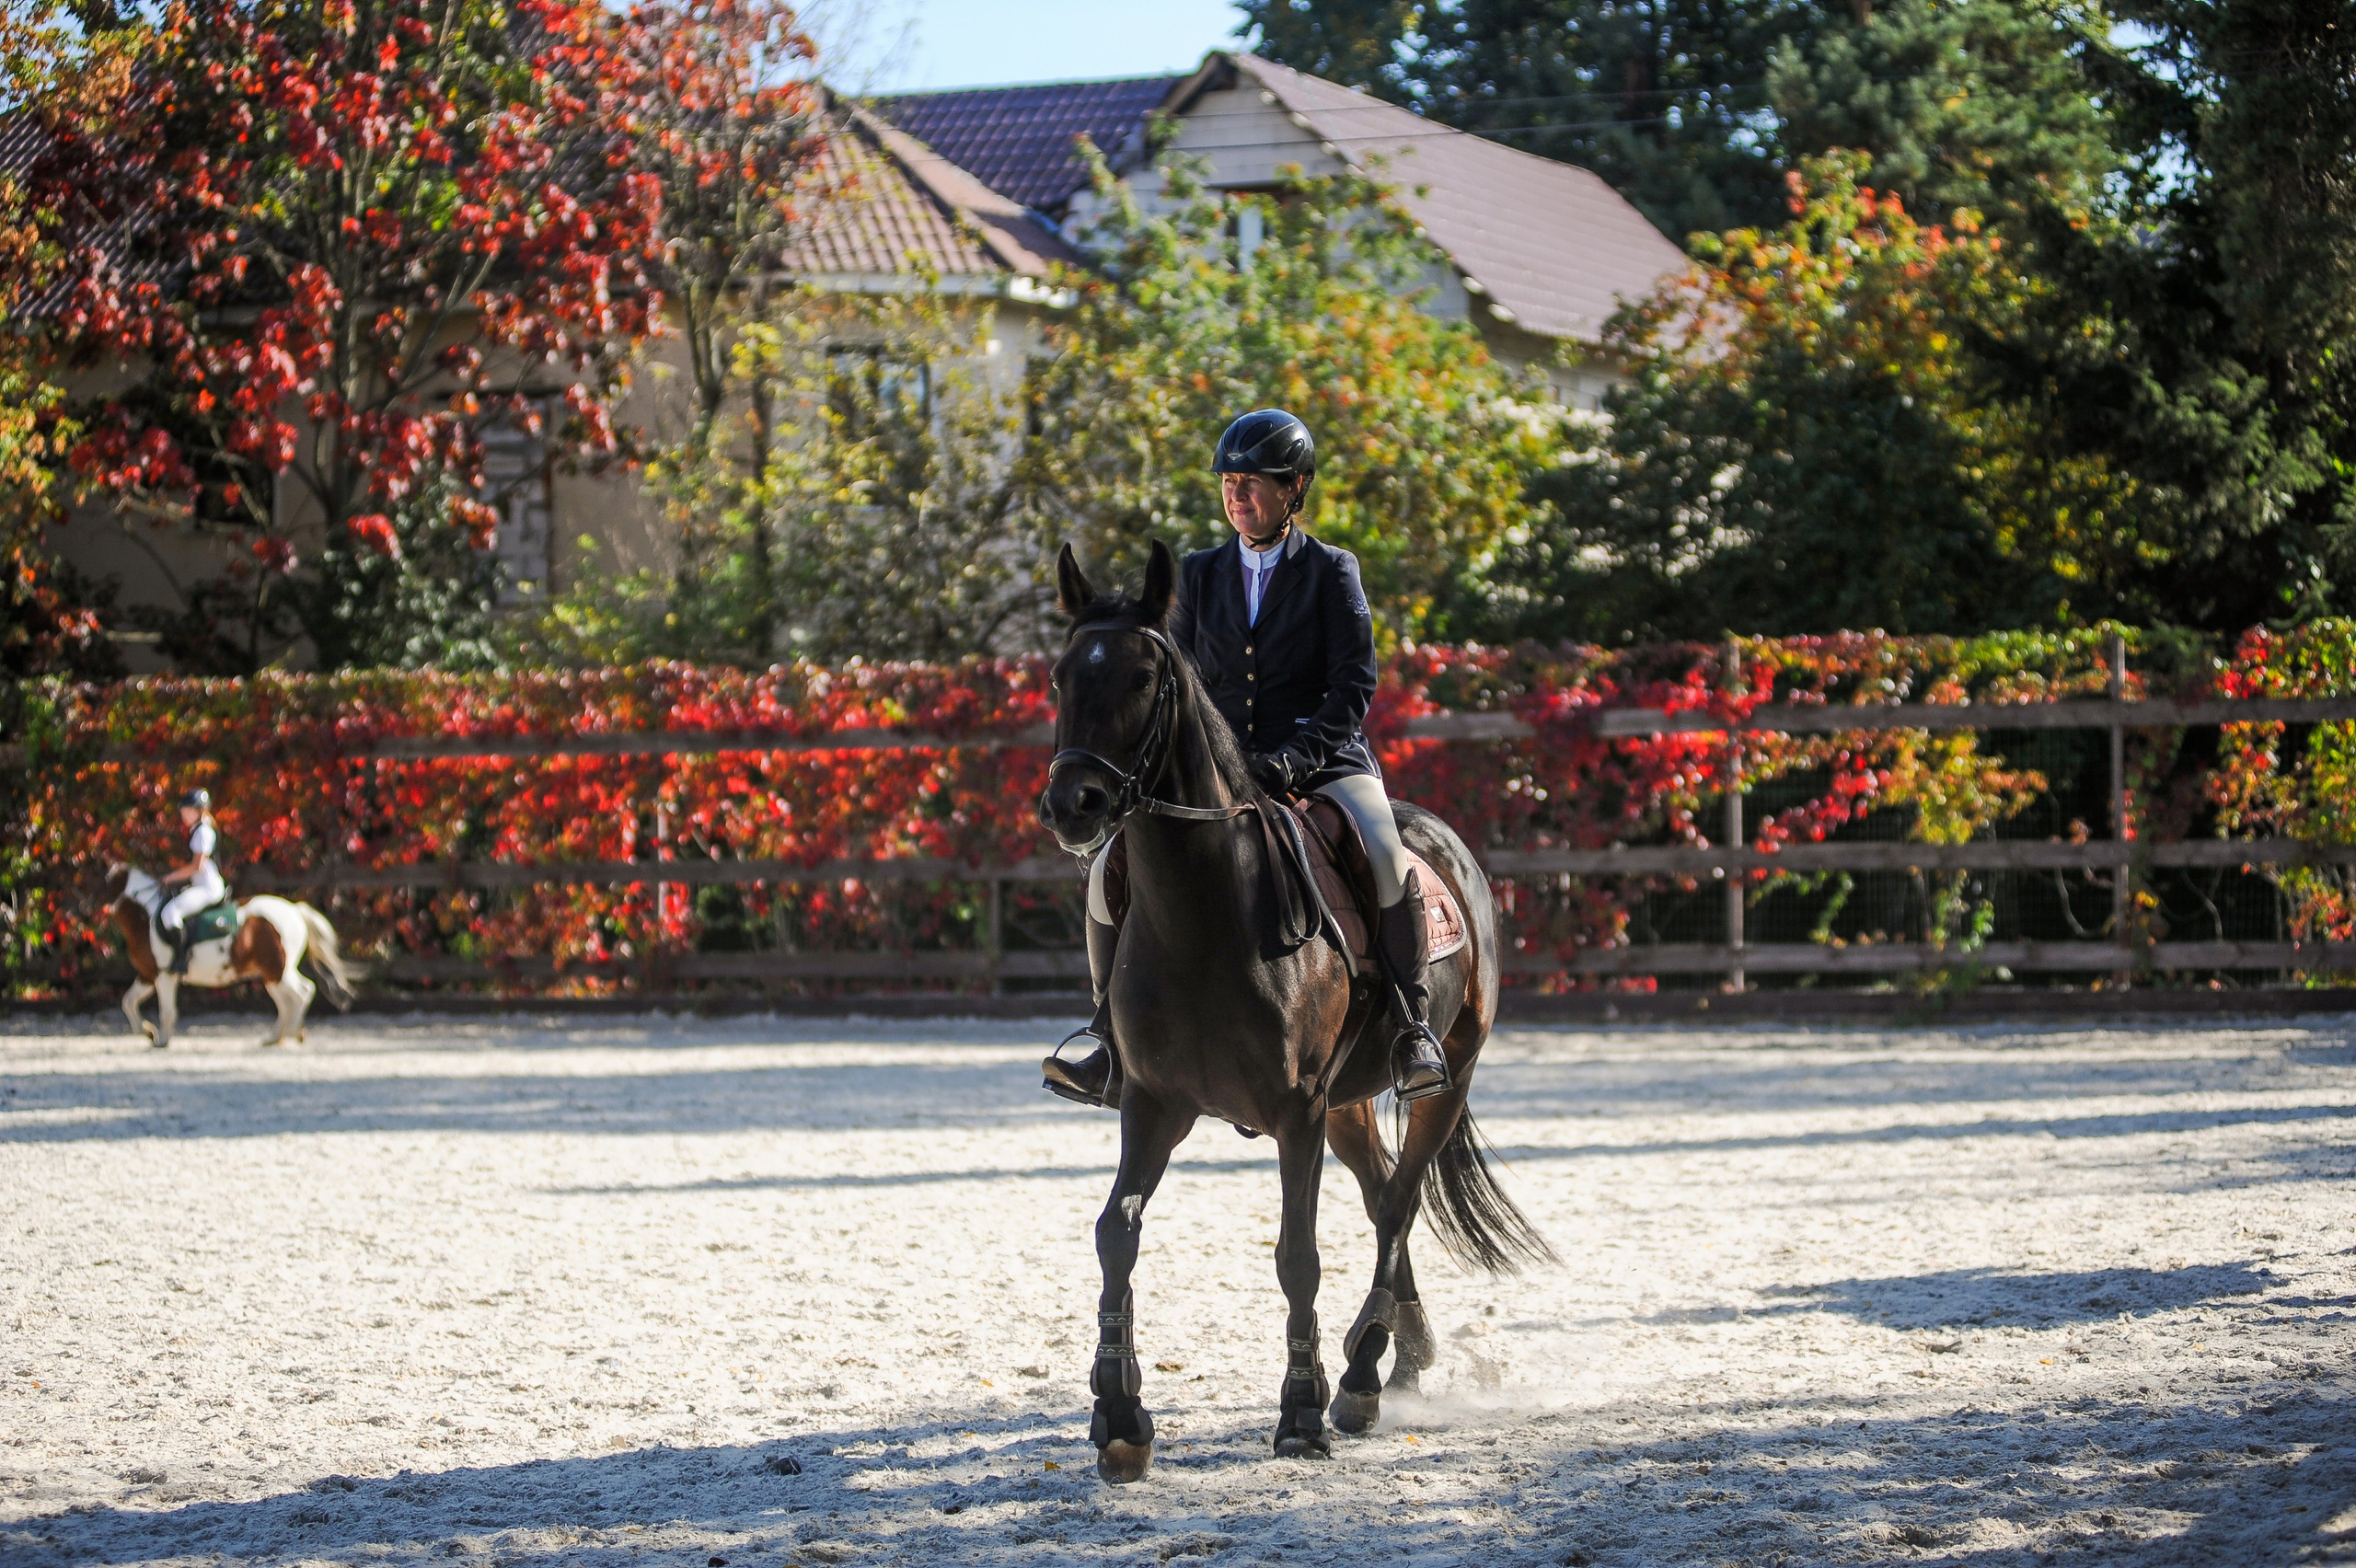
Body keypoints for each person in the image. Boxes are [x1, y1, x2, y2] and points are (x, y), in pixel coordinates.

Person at [1043, 408, 1452, 1110]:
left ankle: (1412, 1028)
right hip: (1223, 772)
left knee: (1384, 851)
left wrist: (1294, 763)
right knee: (1110, 868)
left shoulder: (1331, 571)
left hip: (1325, 761)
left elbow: (1352, 684)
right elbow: (1187, 683)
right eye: (1230, 483)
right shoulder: (1199, 574)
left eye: (1253, 484)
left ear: (1294, 489)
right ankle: (1107, 1035)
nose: (1238, 497)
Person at [156, 788, 225, 975]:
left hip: (208, 888)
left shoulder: (203, 832)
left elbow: (197, 866)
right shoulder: (199, 830)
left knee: (170, 913)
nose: (183, 815)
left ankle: (181, 960)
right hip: (201, 884)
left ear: (199, 811)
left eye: (187, 811)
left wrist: (170, 877)